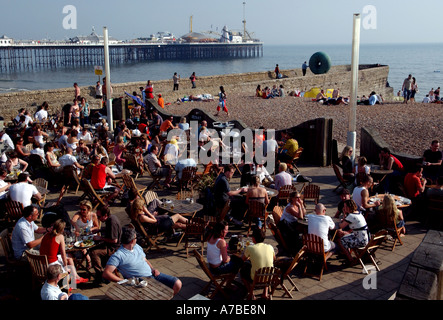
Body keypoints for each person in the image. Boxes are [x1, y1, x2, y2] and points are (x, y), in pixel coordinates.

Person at [103, 226, 182, 296]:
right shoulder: (118, 255)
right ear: (131, 241)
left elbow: (144, 259)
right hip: (142, 281)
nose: (136, 239)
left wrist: (152, 268)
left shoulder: (136, 246)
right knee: (159, 294)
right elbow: (106, 274)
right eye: (135, 238)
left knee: (177, 283)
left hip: (152, 274)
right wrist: (124, 281)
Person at [39, 219, 87, 284]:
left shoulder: (46, 234)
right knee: (68, 270)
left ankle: (76, 277)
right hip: (51, 264)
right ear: (62, 229)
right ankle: (69, 289)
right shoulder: (60, 236)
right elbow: (63, 254)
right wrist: (66, 267)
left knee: (69, 259)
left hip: (43, 262)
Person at [90, 205, 122, 283]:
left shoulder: (112, 222)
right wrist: (99, 230)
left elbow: (114, 240)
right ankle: (101, 270)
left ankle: (101, 275)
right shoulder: (111, 218)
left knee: (94, 253)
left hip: (114, 248)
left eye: (99, 216)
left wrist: (100, 238)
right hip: (110, 244)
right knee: (92, 249)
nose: (97, 218)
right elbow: (109, 230)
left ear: (105, 215)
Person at [240, 227, 275, 298]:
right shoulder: (270, 247)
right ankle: (265, 292)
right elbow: (274, 259)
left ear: (253, 238)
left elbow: (243, 259)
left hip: (256, 278)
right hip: (269, 277)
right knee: (266, 267)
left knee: (242, 272)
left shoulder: (250, 248)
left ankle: (251, 292)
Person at [337, 199, 369, 264]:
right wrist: (345, 215)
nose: (344, 208)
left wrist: (343, 216)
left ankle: (350, 259)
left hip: (361, 241)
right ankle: (346, 254)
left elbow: (341, 226)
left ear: (348, 207)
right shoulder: (358, 213)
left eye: (345, 206)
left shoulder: (351, 216)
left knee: (339, 240)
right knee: (344, 234)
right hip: (365, 238)